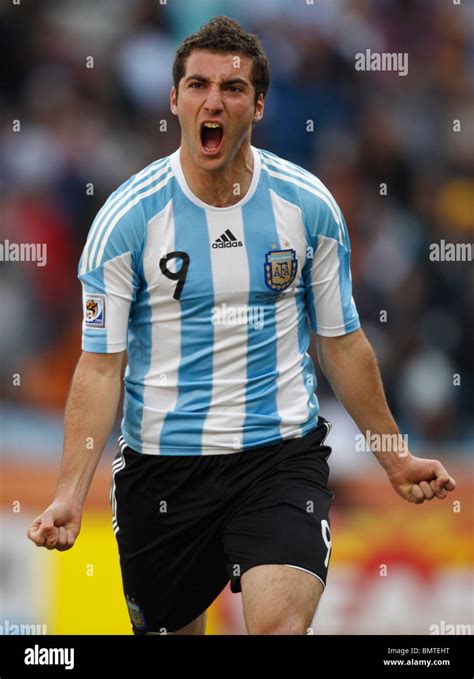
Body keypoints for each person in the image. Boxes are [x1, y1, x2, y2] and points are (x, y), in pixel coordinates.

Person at [27, 16, 456, 636]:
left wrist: (394, 457)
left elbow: (340, 342)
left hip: (278, 456)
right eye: (198, 85)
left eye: (232, 88)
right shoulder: (126, 222)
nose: (213, 101)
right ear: (174, 100)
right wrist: (70, 493)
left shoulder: (307, 207)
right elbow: (100, 367)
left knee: (279, 629)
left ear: (258, 104)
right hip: (163, 469)